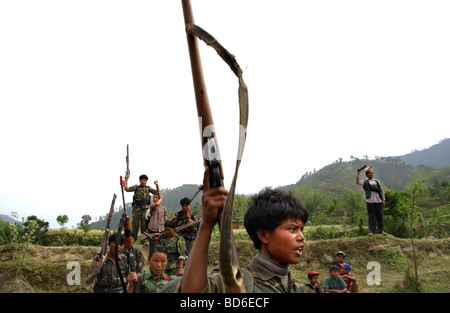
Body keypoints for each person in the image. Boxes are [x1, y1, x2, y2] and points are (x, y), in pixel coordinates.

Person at [178, 166, 314, 293]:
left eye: (301, 229)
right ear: (263, 235)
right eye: (292, 229)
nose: (301, 237)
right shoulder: (234, 282)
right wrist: (206, 224)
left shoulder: (304, 288)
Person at [124, 175, 160, 241]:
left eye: (144, 180)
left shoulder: (148, 188)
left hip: (145, 209)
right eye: (142, 180)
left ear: (146, 181)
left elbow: (157, 192)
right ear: (139, 181)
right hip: (136, 209)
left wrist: (157, 185)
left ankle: (144, 240)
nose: (143, 181)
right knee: (135, 225)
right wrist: (126, 180)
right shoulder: (136, 187)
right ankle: (133, 240)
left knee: (144, 225)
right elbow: (126, 189)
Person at [356, 166, 387, 236]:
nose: (371, 175)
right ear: (367, 174)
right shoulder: (365, 182)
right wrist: (358, 173)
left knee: (380, 216)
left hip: (378, 201)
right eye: (370, 173)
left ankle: (381, 230)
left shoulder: (377, 182)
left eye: (372, 173)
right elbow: (357, 182)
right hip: (370, 201)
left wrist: (383, 200)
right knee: (371, 217)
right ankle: (372, 231)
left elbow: (381, 191)